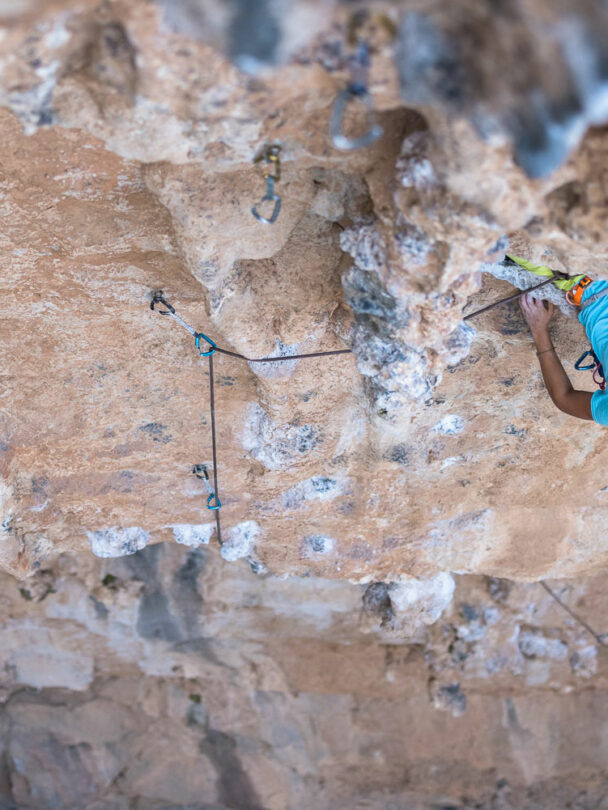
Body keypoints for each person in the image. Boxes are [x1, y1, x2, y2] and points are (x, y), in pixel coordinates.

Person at [520, 279, 608, 424]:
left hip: (588, 282)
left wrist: (539, 331)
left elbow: (564, 398)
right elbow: (563, 398)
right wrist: (539, 331)